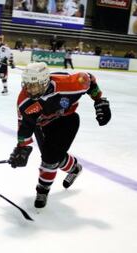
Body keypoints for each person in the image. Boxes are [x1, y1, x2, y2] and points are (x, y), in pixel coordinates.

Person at [8, 62, 111, 208]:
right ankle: (75, 168)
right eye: (26, 85)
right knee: (53, 157)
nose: (28, 89)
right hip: (42, 125)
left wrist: (100, 101)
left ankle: (42, 190)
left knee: (49, 159)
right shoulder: (25, 101)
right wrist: (22, 148)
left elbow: (90, 79)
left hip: (67, 121)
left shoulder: (71, 84)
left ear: (44, 82)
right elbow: (25, 125)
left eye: (33, 85)